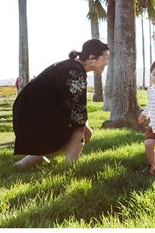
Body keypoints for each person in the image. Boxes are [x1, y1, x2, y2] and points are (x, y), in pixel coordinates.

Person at [13, 39, 109, 169]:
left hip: (27, 111)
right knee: (80, 129)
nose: (106, 63)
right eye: (105, 59)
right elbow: (78, 114)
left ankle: (24, 164)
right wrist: (85, 129)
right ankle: (69, 169)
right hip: (33, 115)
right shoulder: (76, 72)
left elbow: (73, 105)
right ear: (92, 58)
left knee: (80, 128)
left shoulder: (72, 66)